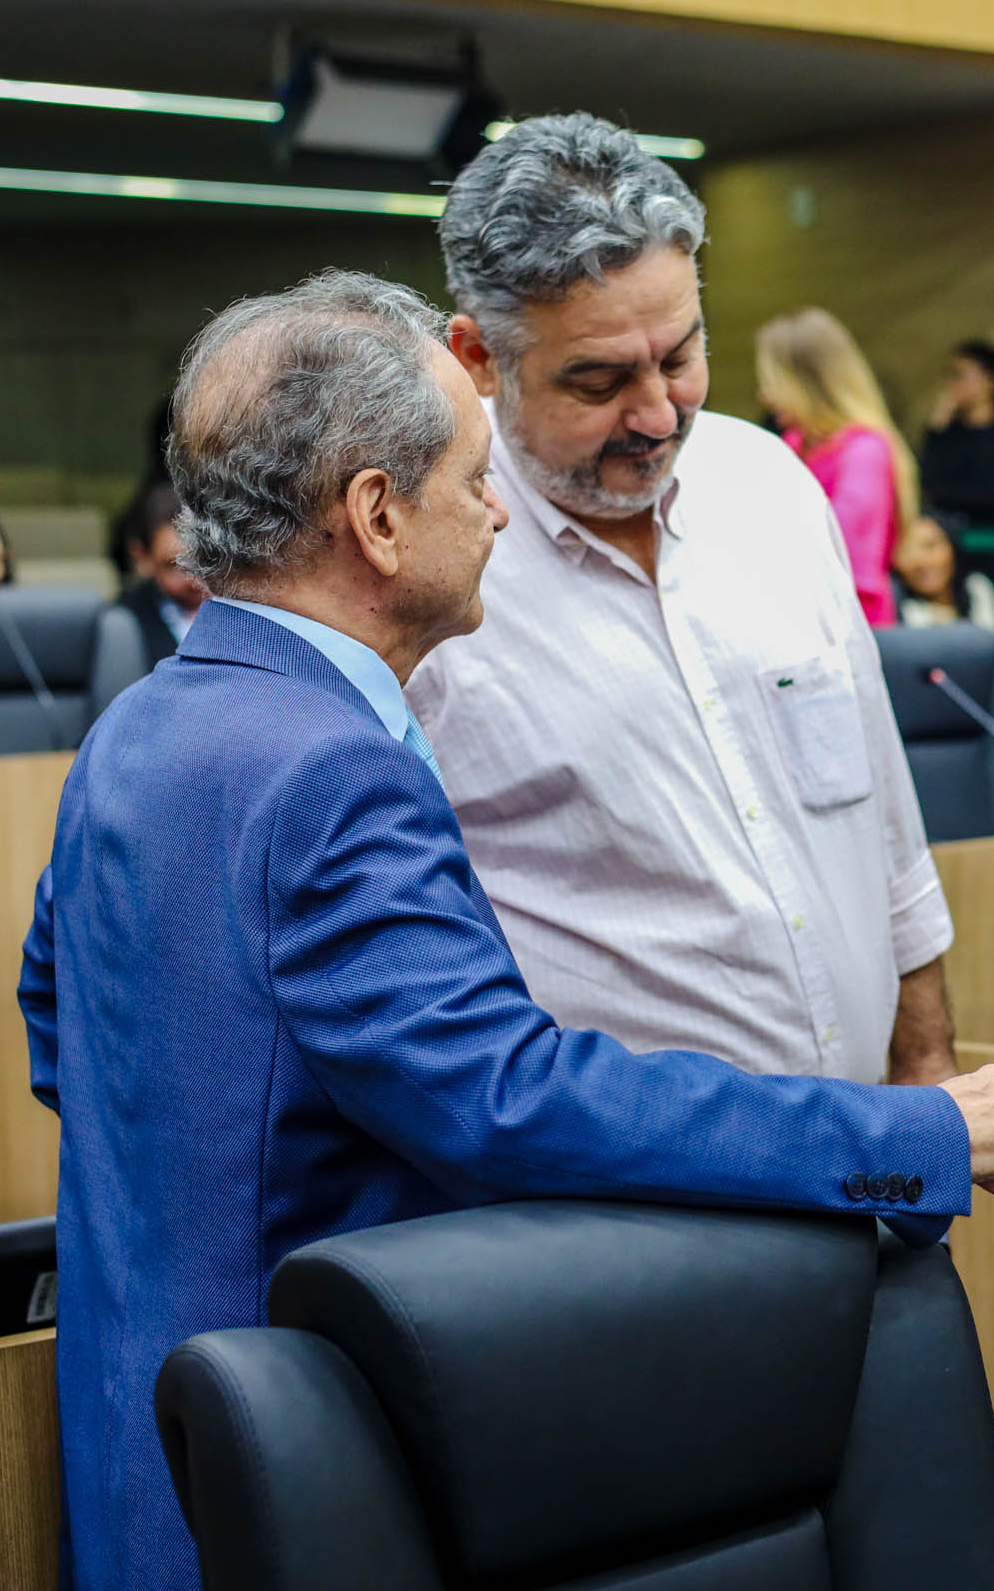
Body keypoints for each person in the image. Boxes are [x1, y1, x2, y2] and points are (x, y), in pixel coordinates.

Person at [19, 270, 994, 1591]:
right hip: (307, 1464)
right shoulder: (328, 769)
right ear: (377, 518)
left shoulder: (139, 725)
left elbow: (61, 1028)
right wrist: (915, 1134)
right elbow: (507, 1098)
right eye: (470, 477)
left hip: (145, 1444)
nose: (502, 507)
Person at [413, 113, 964, 1087]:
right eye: (599, 380)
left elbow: (884, 825)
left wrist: (926, 1068)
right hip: (619, 1208)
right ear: (477, 357)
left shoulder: (774, 485)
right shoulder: (422, 571)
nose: (659, 414)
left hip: (874, 1157)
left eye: (678, 356)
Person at [755, 307, 919, 628]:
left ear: (807, 383)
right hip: (796, 622)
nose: (765, 396)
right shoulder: (793, 442)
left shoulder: (864, 451)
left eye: (773, 382)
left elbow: (839, 552)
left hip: (850, 630)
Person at [920, 338, 994, 615]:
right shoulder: (947, 433)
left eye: (961, 375)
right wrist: (937, 428)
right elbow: (926, 480)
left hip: (993, 543)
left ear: (991, 381)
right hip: (955, 543)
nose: (953, 385)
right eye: (950, 376)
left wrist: (946, 491)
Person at [113, 479, 207, 663]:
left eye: (202, 561)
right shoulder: (123, 623)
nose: (193, 579)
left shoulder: (245, 610)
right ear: (142, 558)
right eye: (175, 565)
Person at [895, 510, 994, 631]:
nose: (921, 561)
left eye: (930, 546)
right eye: (908, 553)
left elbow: (992, 640)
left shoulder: (976, 588)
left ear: (952, 547)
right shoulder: (904, 610)